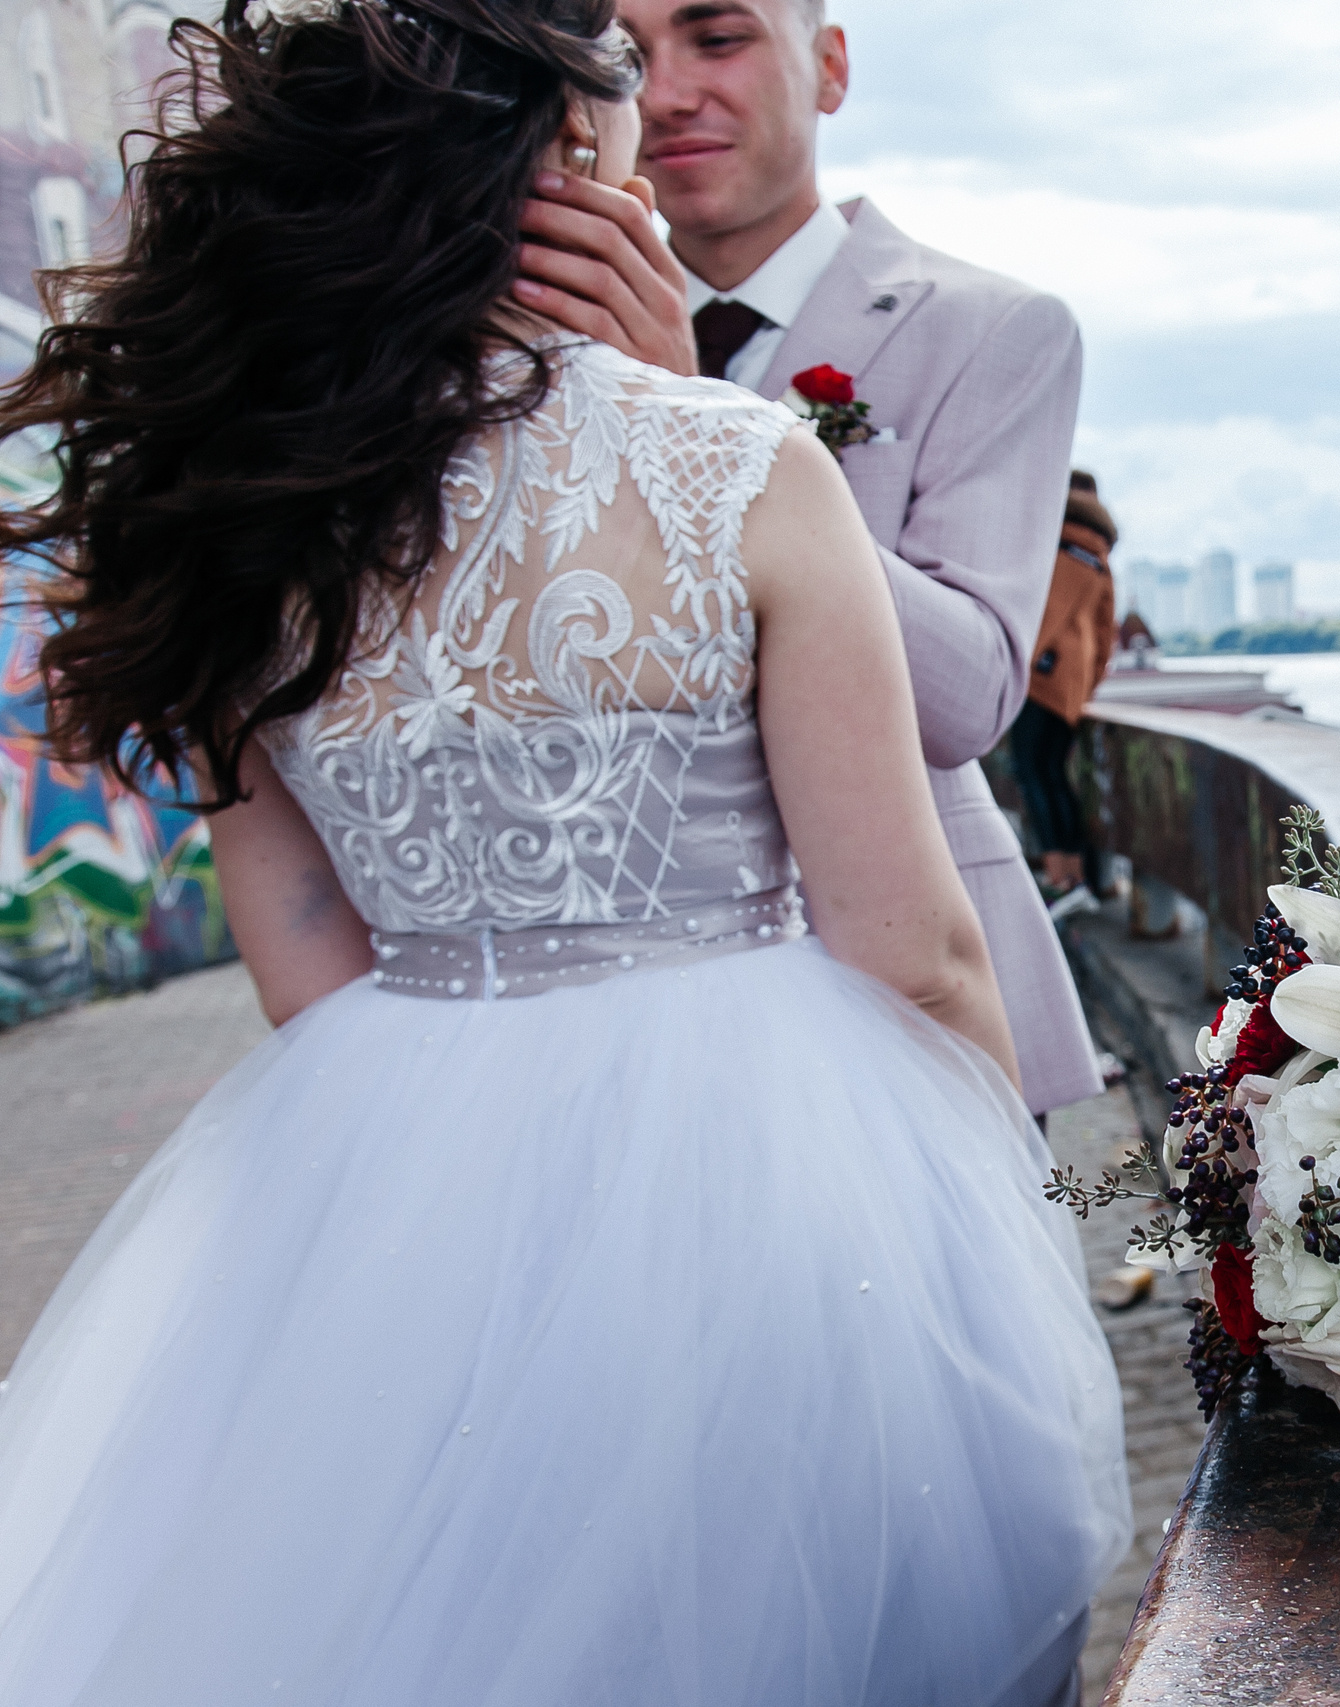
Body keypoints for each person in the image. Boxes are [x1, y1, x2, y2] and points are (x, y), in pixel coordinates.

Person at [0, 0, 1128, 1699]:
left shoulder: (233, 497)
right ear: (564, 156)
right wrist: (983, 1205)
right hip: (787, 1167)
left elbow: (304, 948)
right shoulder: (735, 460)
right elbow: (913, 946)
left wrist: (452, 1156)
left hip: (394, 1152)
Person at [519, 0, 1106, 1120]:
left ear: (829, 66)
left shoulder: (991, 328)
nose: (669, 91)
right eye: (626, 57)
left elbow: (972, 694)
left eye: (718, 38)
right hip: (616, 988)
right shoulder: (524, 337)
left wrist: (698, 425)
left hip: (911, 985)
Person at [1013, 471, 1120, 921]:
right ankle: (1076, 876)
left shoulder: (1061, 543)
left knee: (1033, 772)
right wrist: (1085, 686)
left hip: (1043, 676)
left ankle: (1063, 877)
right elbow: (1105, 630)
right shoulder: (1097, 554)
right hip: (1070, 683)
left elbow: (1045, 614)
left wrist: (1023, 663)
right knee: (1053, 773)